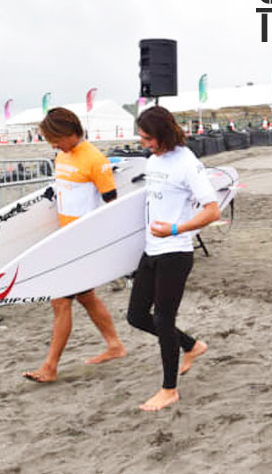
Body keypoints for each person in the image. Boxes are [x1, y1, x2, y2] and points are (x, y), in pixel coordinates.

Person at [23, 108, 126, 382]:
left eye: (55, 139)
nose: (53, 145)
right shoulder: (62, 154)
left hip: (83, 243)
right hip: (65, 239)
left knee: (60, 301)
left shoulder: (95, 160)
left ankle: (50, 367)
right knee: (86, 297)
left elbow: (112, 206)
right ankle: (115, 345)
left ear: (70, 133)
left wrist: (105, 247)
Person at [127, 106, 218, 411]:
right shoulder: (154, 159)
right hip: (151, 249)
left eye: (147, 138)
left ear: (163, 134)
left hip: (175, 253)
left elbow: (211, 210)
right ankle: (192, 345)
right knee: (137, 316)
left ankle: (169, 390)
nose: (144, 143)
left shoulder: (187, 164)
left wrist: (177, 228)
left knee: (164, 320)